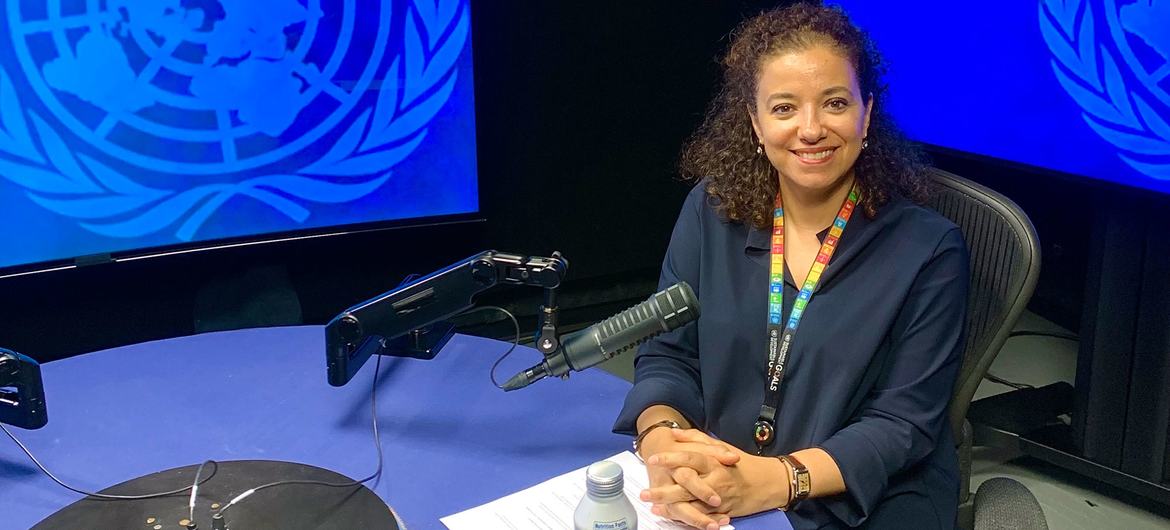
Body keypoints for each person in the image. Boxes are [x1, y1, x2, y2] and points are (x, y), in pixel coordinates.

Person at [612, 3, 969, 530]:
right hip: (727, 477)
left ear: (866, 114)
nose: (810, 129)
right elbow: (668, 354)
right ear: (755, 123)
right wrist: (663, 446)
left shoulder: (930, 249)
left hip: (867, 495)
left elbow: (903, 424)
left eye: (834, 103)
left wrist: (773, 482)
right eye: (783, 108)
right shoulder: (711, 211)